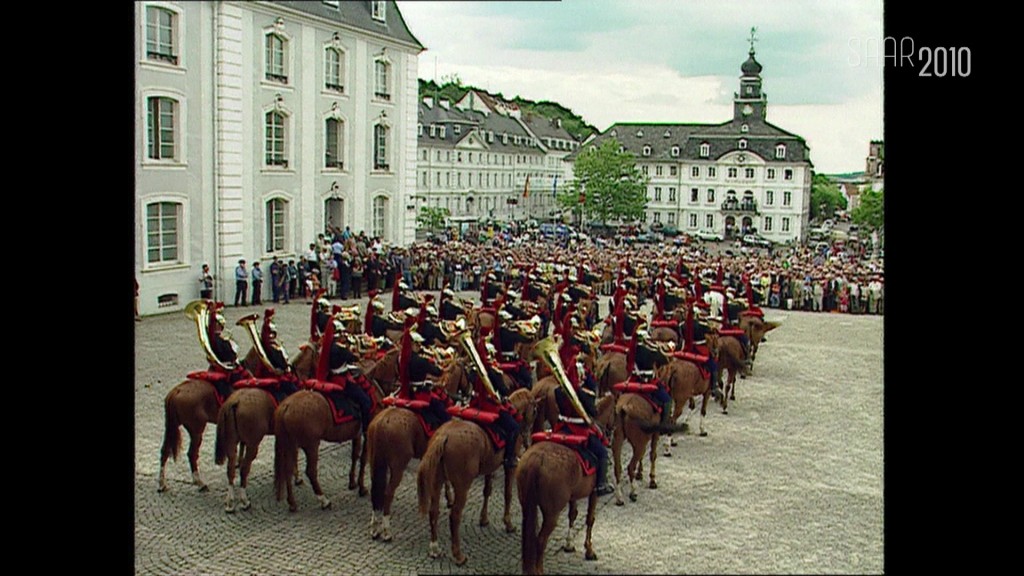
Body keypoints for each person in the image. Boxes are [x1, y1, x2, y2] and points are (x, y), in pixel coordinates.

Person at [473, 339, 521, 470]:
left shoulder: (476, 369)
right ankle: (509, 457)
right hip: (490, 405)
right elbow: (504, 390)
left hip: (476, 402)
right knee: (514, 427)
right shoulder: (493, 372)